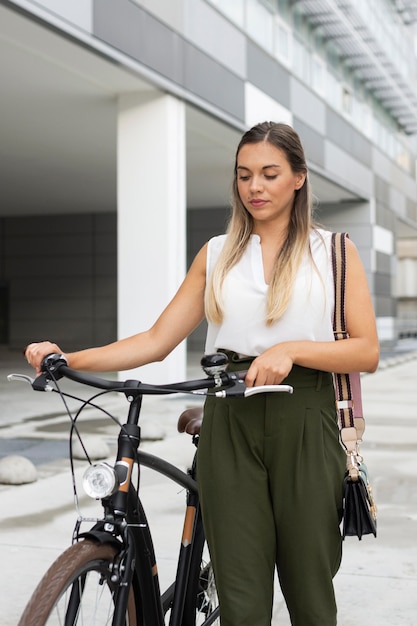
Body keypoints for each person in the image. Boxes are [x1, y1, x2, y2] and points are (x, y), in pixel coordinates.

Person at [25, 121, 379, 626]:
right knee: (241, 598)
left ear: (299, 177)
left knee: (310, 593)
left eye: (270, 173)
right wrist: (69, 357)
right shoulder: (217, 254)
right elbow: (155, 341)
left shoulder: (335, 251)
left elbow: (366, 351)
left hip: (305, 418)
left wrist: (294, 349)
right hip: (229, 422)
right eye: (244, 175)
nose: (255, 186)